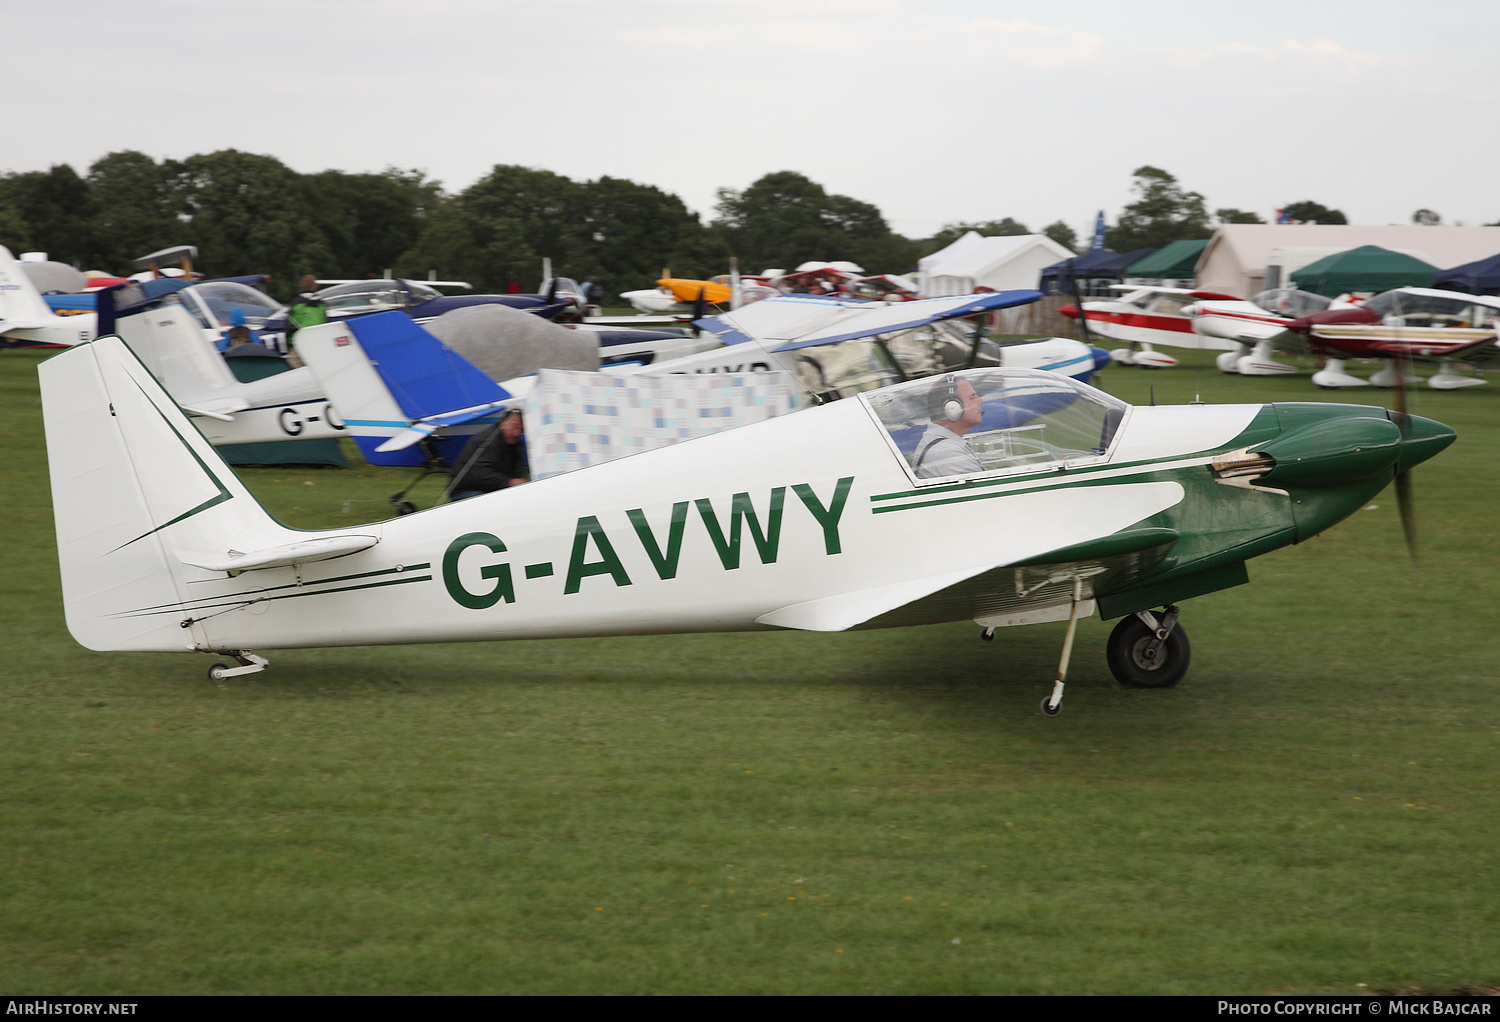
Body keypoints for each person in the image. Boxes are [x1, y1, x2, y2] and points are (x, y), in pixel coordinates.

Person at [912, 375, 985, 478]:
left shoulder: (944, 444)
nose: (980, 401)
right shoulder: (947, 452)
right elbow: (981, 491)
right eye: (972, 397)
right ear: (952, 408)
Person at [447, 410, 528, 500]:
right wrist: (509, 482)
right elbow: (477, 472)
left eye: (521, 429)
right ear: (502, 424)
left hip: (492, 489)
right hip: (467, 490)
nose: (517, 433)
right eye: (514, 427)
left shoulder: (515, 444)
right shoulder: (489, 441)